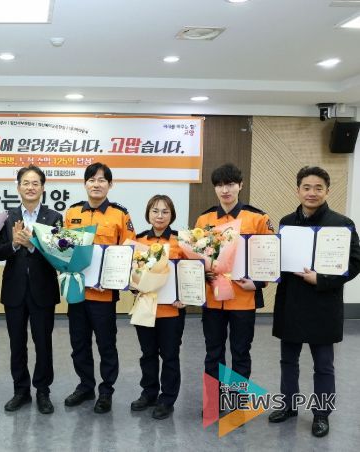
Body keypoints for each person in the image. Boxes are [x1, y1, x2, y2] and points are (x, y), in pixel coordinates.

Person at [268, 166, 360, 437]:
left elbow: (355, 263)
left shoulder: (342, 223)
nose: (312, 193)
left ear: (327, 191)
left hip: (323, 304)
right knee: (288, 360)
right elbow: (279, 260)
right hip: (291, 303)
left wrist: (321, 279)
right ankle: (289, 405)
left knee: (323, 364)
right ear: (297, 190)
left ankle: (321, 414)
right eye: (306, 187)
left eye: (318, 188)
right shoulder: (287, 222)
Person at [63, 162, 136, 414]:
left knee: (106, 345)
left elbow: (129, 251)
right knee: (79, 344)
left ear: (110, 185)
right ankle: (85, 386)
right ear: (85, 184)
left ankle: (106, 392)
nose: (96, 184)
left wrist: (116, 278)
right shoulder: (72, 213)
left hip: (104, 295)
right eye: (92, 180)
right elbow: (63, 249)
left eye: (102, 180)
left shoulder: (120, 215)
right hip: (77, 291)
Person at [194, 164, 273, 389]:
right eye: (219, 185)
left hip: (243, 298)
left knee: (240, 352)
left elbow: (270, 255)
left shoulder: (258, 218)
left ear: (240, 185)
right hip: (213, 298)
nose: (225, 190)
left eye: (230, 184)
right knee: (213, 352)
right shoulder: (204, 219)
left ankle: (237, 399)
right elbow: (197, 257)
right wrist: (202, 272)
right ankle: (213, 399)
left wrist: (258, 283)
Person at [0, 165, 62, 414]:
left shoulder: (54, 217)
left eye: (35, 183)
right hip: (14, 290)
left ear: (43, 188)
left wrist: (33, 245)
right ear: (18, 187)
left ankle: (43, 391)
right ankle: (20, 391)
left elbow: (59, 255)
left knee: (43, 343)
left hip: (43, 290)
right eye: (26, 183)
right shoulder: (7, 217)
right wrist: (13, 243)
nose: (30, 187)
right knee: (17, 344)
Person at [130, 195, 186, 420]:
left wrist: (184, 296)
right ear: (148, 214)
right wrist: (134, 286)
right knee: (148, 354)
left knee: (170, 356)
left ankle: (167, 399)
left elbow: (191, 272)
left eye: (165, 211)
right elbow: (132, 273)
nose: (160, 216)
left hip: (171, 310)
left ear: (172, 215)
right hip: (145, 307)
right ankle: (149, 393)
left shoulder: (181, 241)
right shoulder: (139, 240)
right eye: (155, 211)